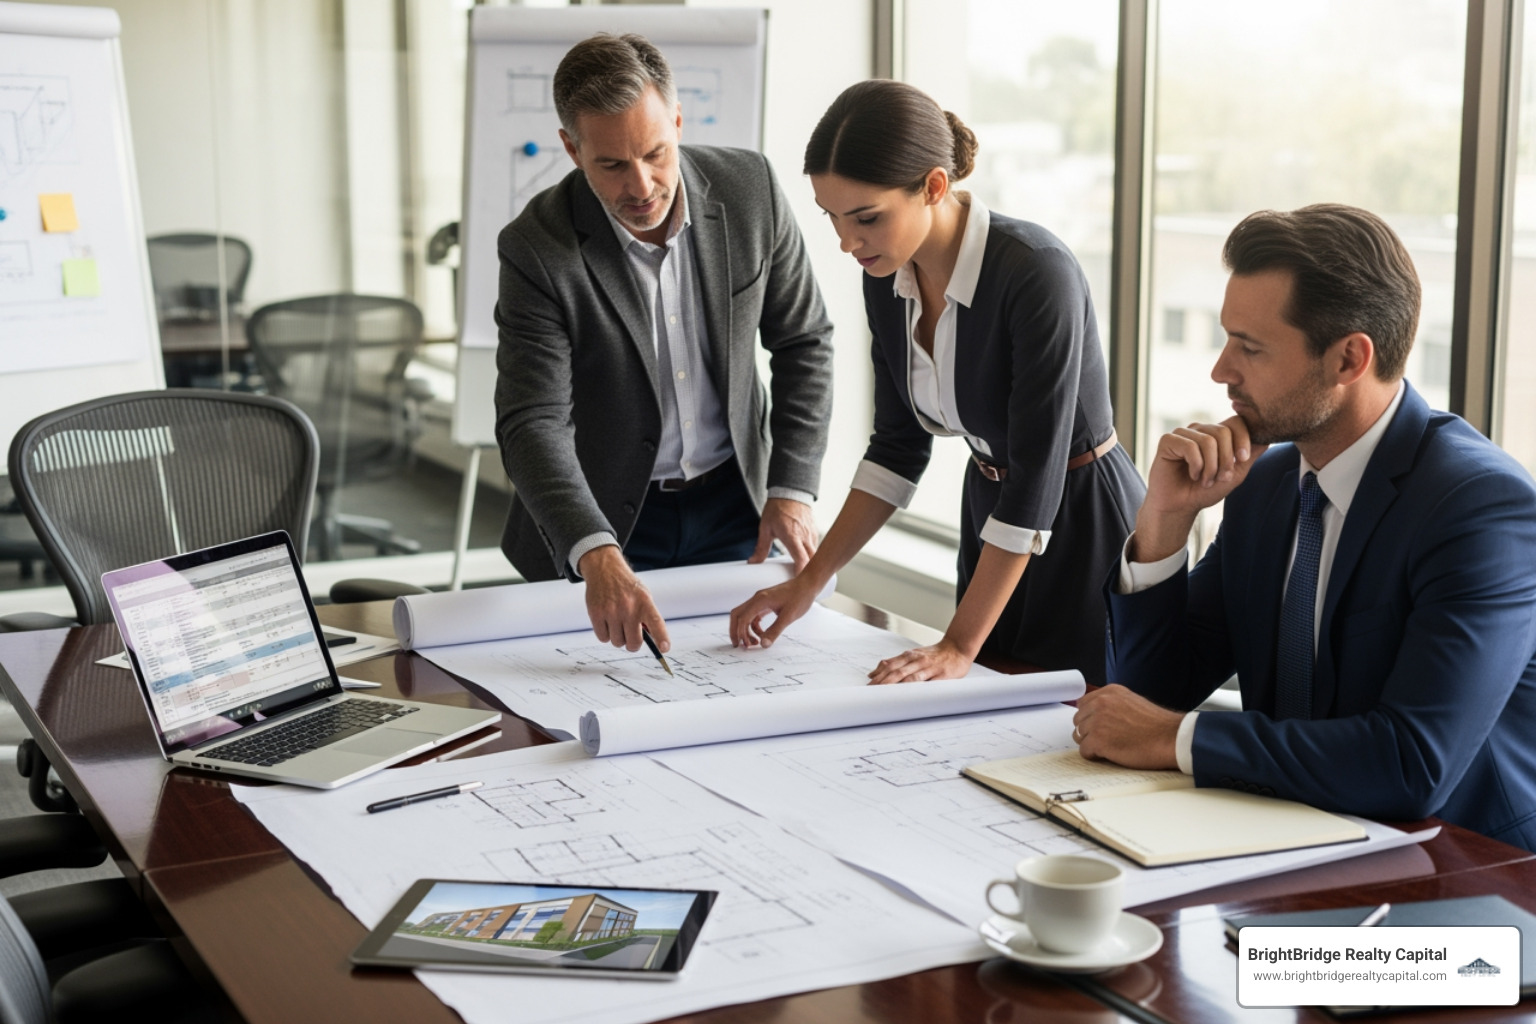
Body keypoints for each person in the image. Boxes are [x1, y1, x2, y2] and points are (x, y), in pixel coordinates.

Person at [1074, 204, 1536, 852]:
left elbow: (1411, 763)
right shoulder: (1266, 485)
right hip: (1292, 840)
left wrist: (1174, 738)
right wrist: (1166, 520)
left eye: (1250, 348)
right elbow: (1148, 695)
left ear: (1349, 358)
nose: (1220, 370)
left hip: (1460, 870)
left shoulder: (1478, 508)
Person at [729, 80, 1144, 686]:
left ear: (933, 186)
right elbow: (896, 447)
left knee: (1073, 728)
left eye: (867, 218)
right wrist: (807, 584)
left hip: (1081, 524)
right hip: (991, 517)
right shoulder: (886, 274)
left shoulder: (1036, 273)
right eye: (833, 219)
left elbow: (1035, 480)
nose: (847, 243)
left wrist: (956, 641)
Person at [494, 34, 834, 655]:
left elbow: (804, 340)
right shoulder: (536, 247)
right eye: (612, 165)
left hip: (740, 508)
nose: (643, 185)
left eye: (656, 152)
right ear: (572, 149)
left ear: (678, 121)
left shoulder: (749, 188)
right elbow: (531, 422)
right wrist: (594, 551)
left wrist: (792, 486)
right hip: (607, 522)